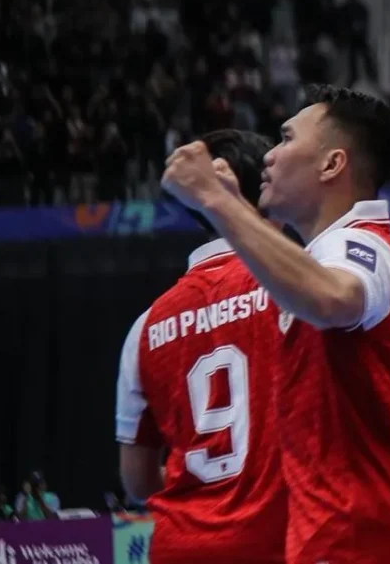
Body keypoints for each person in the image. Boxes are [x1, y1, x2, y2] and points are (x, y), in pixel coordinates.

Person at [161, 84, 390, 564]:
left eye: (285, 138)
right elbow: (303, 277)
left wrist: (216, 201)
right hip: (356, 537)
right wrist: (238, 207)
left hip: (365, 544)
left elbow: (331, 296)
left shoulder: (363, 247)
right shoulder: (334, 250)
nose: (269, 157)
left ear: (332, 165)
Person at [116, 130, 288, 564]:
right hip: (278, 542)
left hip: (181, 547)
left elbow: (136, 482)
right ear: (266, 194)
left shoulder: (146, 325)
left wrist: (201, 482)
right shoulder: (296, 289)